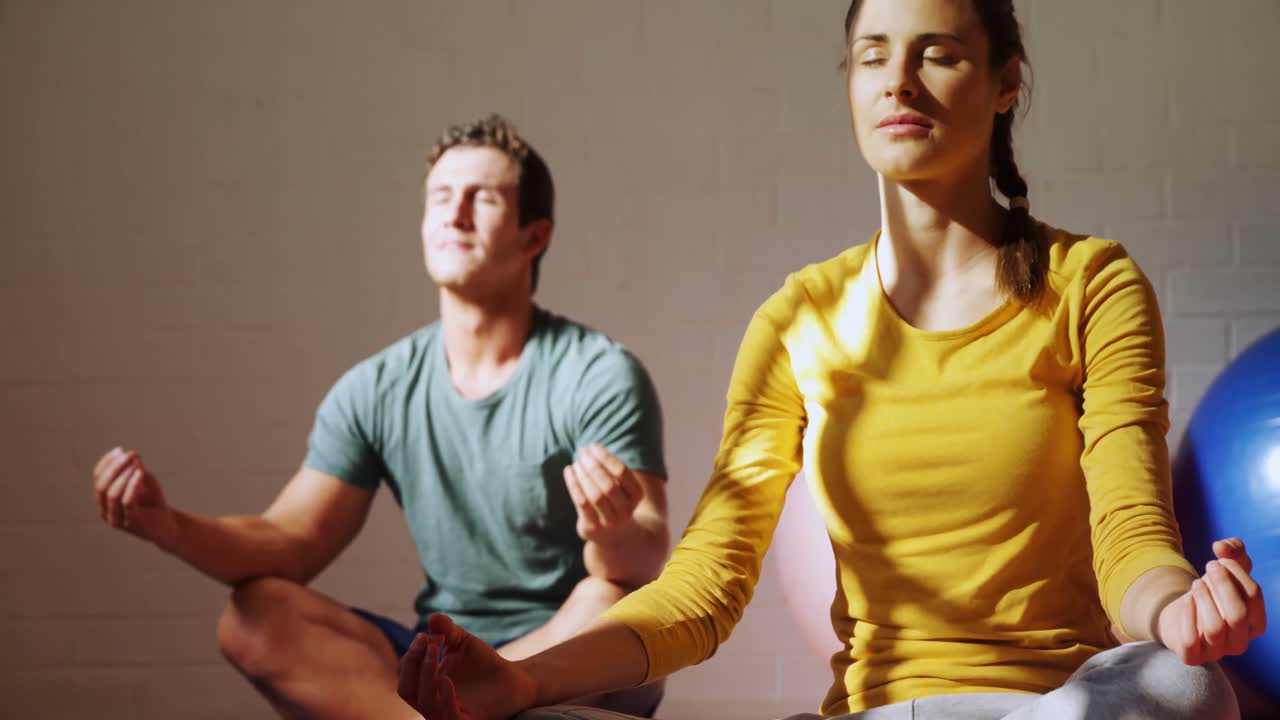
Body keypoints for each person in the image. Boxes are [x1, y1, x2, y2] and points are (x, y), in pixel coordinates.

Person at [396, 2, 1267, 719]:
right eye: (872, 55)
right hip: (883, 711)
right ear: (849, 83)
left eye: (938, 54)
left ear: (1005, 84)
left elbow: (1131, 536)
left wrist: (1176, 609)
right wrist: (522, 677)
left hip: (1058, 706)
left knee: (1187, 687)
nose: (899, 79)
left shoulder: (1091, 285)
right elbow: (705, 586)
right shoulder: (798, 318)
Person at [90, 114, 671, 720]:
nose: (455, 213)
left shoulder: (597, 373)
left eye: (484, 197)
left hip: (561, 654)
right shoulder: (377, 387)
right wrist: (168, 526)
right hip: (442, 657)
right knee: (255, 613)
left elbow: (642, 561)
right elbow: (289, 543)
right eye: (441, 197)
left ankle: (472, 702)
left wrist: (611, 531)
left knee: (612, 600)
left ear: (534, 236)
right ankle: (449, 712)